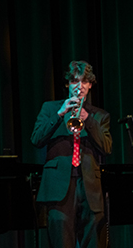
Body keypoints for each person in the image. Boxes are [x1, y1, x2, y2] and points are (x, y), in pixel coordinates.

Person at [31, 60, 112, 248]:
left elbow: (107, 148)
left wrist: (88, 120)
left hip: (89, 186)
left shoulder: (100, 115)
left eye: (85, 82)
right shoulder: (50, 109)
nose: (80, 86)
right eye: (75, 81)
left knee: (93, 243)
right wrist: (60, 114)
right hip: (59, 187)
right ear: (68, 83)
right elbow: (36, 139)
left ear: (90, 84)